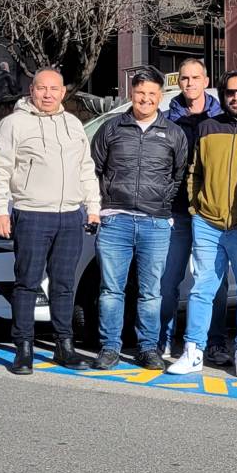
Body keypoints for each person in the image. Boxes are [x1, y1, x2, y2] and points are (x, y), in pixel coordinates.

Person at [0, 68, 101, 374]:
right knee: (27, 283)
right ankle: (23, 348)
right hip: (32, 214)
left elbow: (85, 168)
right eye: (41, 88)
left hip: (70, 217)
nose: (48, 94)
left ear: (63, 92)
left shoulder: (73, 124)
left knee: (64, 285)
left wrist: (93, 207)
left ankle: (64, 346)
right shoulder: (14, 124)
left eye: (54, 89)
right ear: (32, 91)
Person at [166, 70, 237, 377]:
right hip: (207, 223)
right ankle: (193, 350)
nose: (235, 98)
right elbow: (194, 171)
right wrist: (195, 207)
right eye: (229, 93)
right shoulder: (208, 127)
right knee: (202, 289)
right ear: (222, 96)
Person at [90, 69, 189, 371]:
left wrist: (161, 203)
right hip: (115, 220)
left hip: (155, 223)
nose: (145, 99)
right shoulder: (111, 128)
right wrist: (101, 206)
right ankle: (110, 347)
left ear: (161, 96)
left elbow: (179, 175)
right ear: (131, 94)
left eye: (152, 94)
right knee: (110, 290)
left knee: (151, 292)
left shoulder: (173, 133)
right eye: (140, 93)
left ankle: (148, 348)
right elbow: (93, 169)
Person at [160, 58, 231, 365]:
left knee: (214, 282)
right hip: (176, 212)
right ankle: (163, 339)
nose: (189, 83)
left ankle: (215, 343)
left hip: (210, 213)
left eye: (195, 77)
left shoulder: (222, 117)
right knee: (168, 279)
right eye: (184, 78)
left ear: (206, 81)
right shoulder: (167, 119)